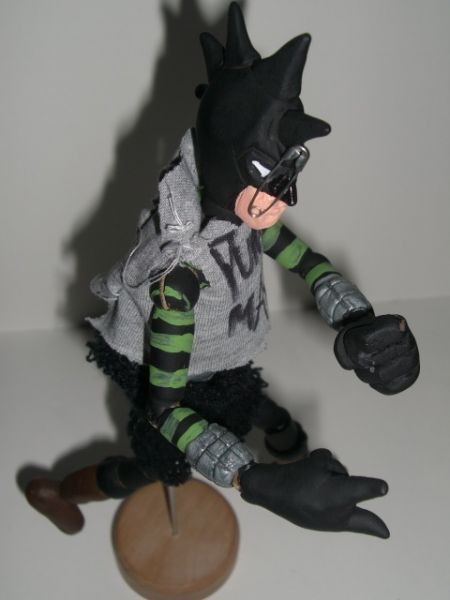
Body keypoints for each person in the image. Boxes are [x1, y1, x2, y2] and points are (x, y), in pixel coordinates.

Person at [26, 3, 419, 539]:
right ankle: (59, 492)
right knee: (156, 467)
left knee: (259, 406)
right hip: (172, 378)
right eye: (269, 179)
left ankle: (283, 435)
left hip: (223, 356)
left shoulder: (241, 216)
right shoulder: (178, 279)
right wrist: (253, 480)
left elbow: (306, 262)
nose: (284, 199)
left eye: (288, 176)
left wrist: (359, 323)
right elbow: (165, 409)